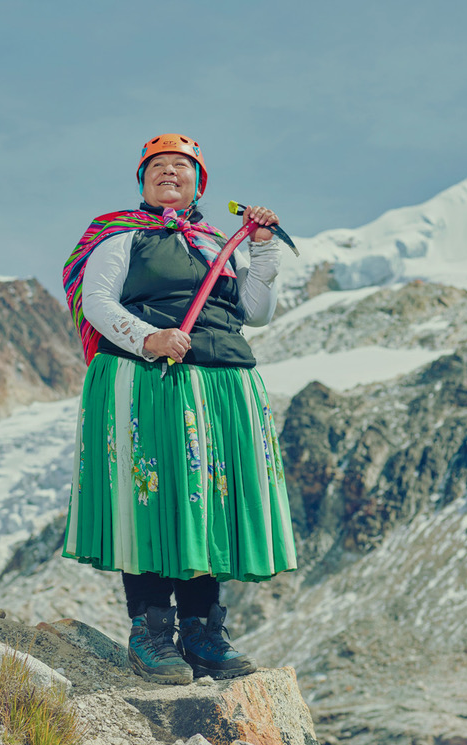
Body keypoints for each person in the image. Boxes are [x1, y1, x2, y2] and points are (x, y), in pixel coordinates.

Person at [61, 133, 296, 685]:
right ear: (142, 180)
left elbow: (255, 312)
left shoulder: (219, 243)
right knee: (152, 498)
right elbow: (96, 300)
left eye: (182, 167)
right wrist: (149, 339)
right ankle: (151, 631)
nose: (170, 173)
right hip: (149, 378)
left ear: (199, 183)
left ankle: (202, 631)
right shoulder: (120, 236)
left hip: (222, 382)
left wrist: (261, 247)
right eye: (158, 166)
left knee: (207, 503)